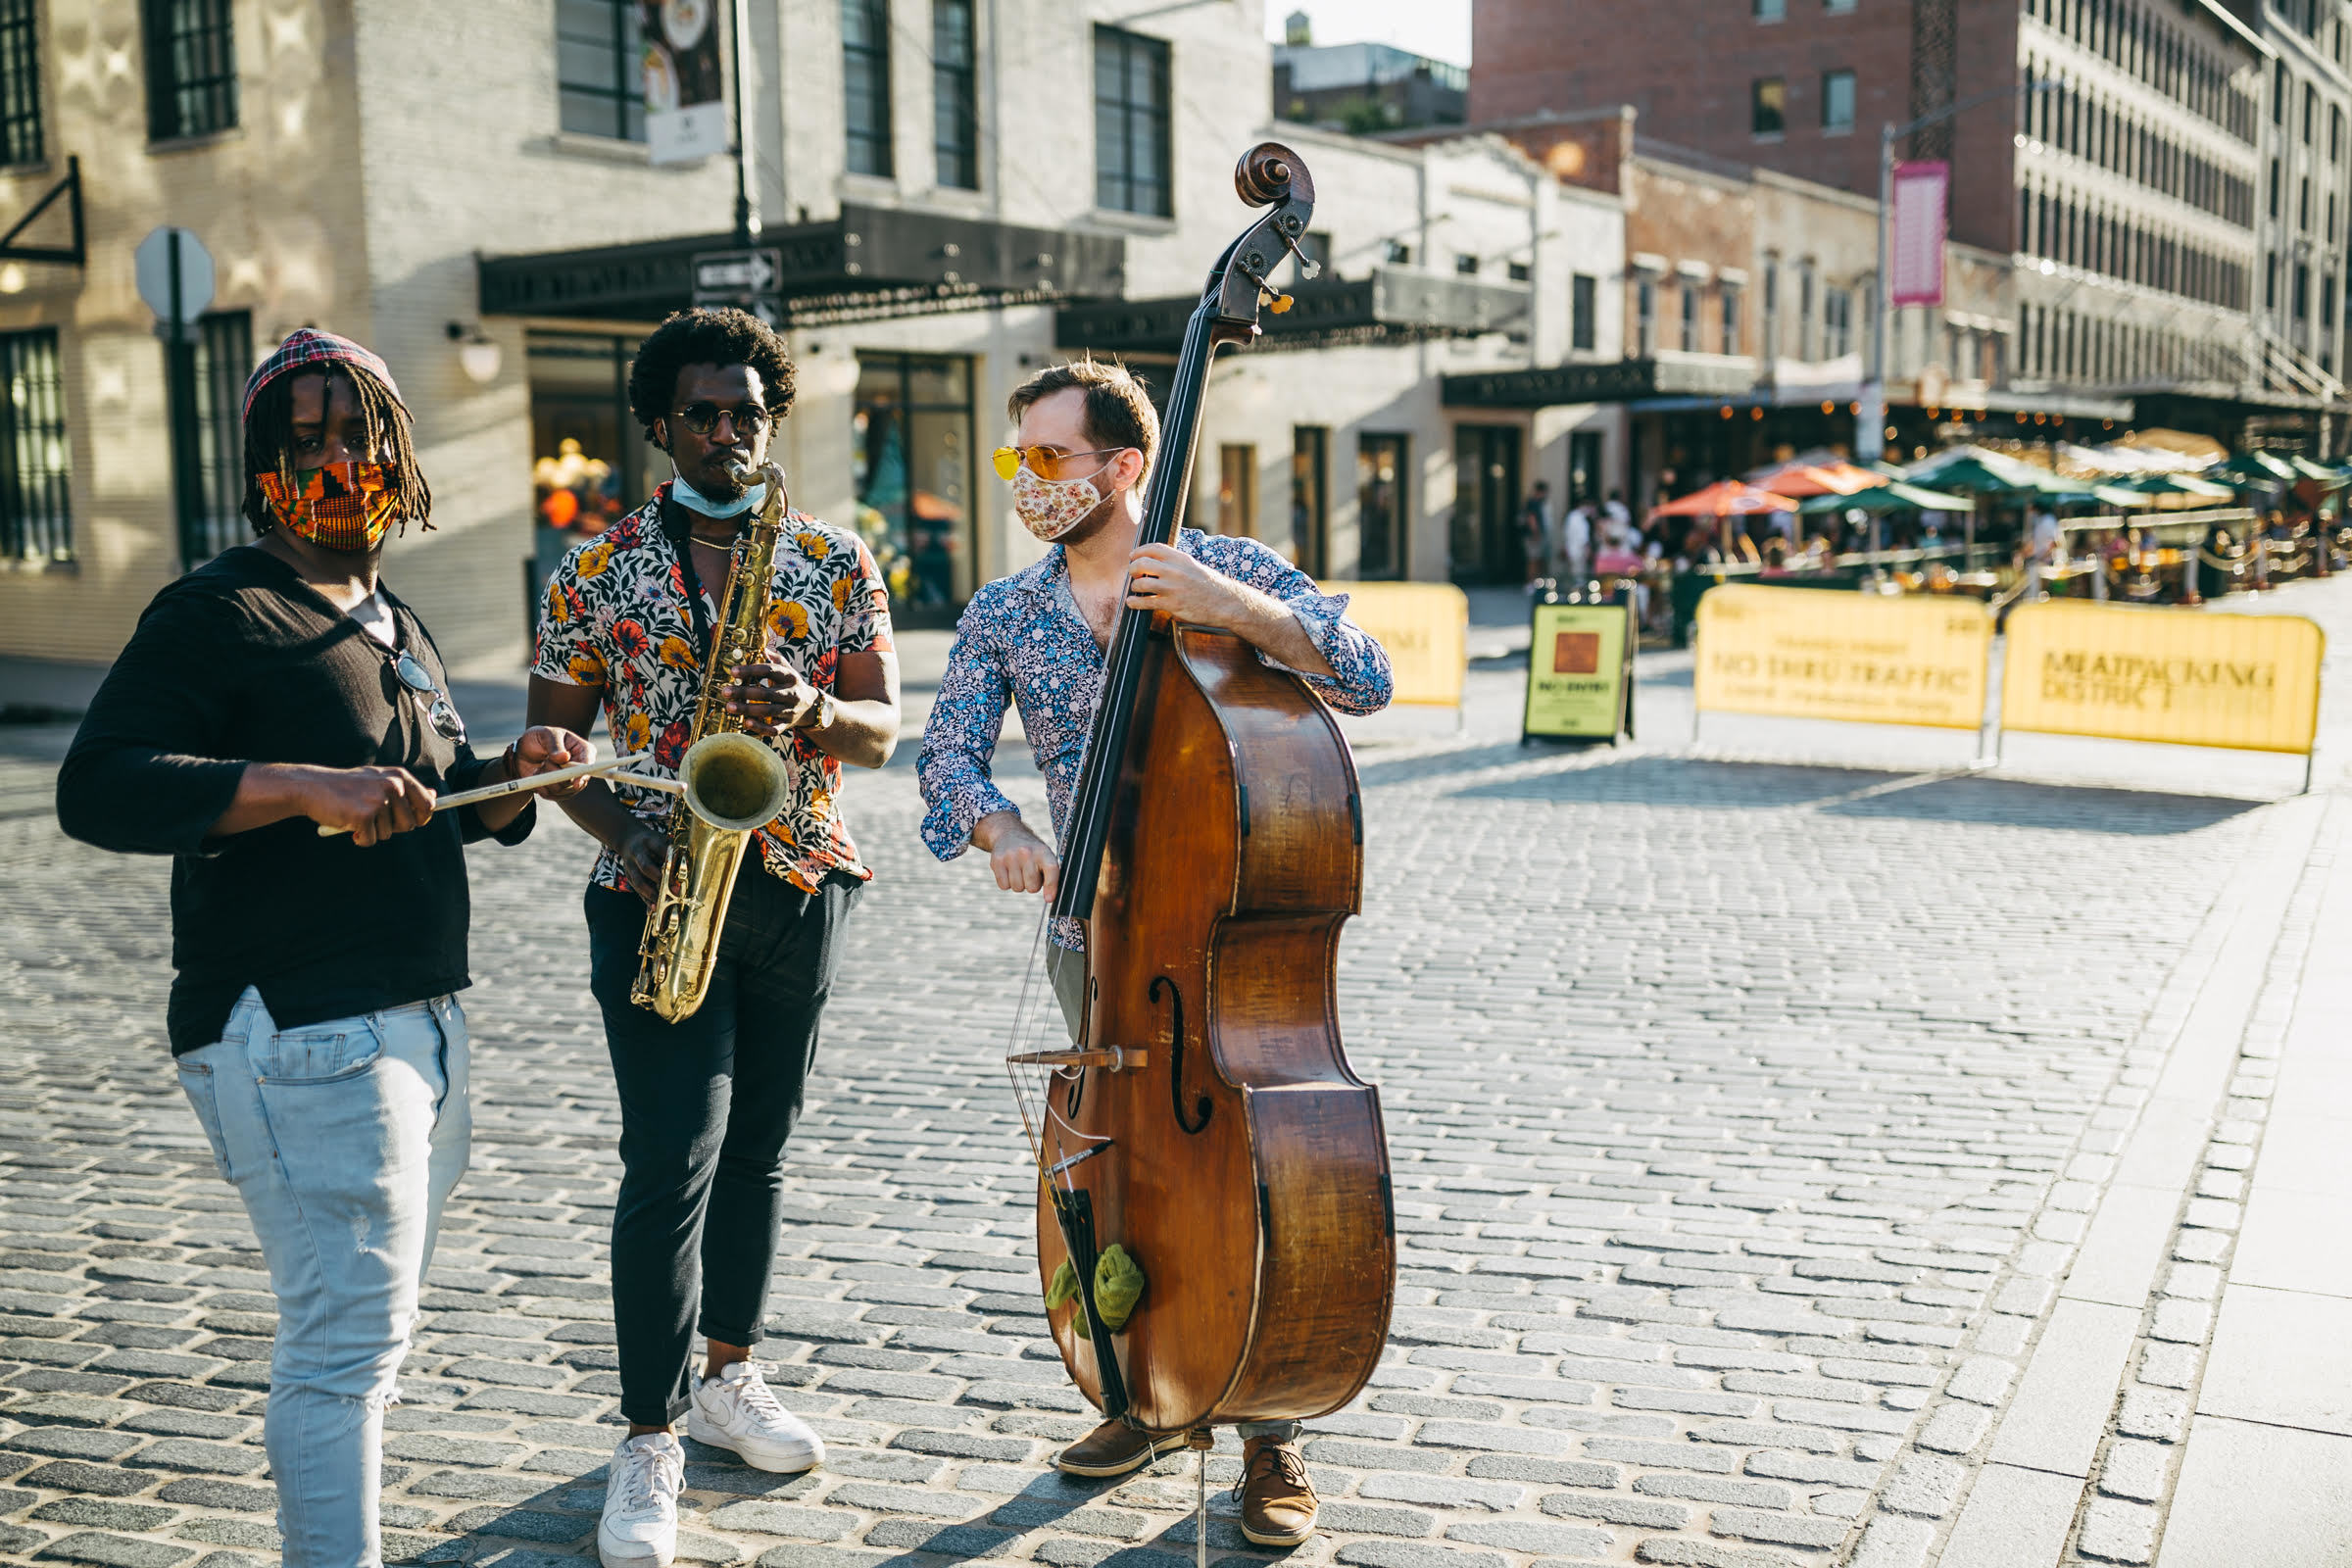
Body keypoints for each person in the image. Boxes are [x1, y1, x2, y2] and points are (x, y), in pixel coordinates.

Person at [56, 329, 593, 1568]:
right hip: (298, 1025)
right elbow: (99, 787)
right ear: (262, 467)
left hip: (415, 1019)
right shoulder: (216, 609)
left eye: (360, 436)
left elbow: (438, 789)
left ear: (402, 457)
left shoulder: (392, 611)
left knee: (374, 1338)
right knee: (342, 1345)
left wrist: (515, 775)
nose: (340, 461)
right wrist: (300, 784)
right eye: (307, 443)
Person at [914, 359, 1393, 1547]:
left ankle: (1269, 1427)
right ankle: (1139, 1392)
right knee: (1119, 1164)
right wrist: (1001, 824)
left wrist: (1241, 613)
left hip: (1220, 933)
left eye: (1048, 458)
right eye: (1015, 459)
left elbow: (1368, 672)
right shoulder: (1006, 613)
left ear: (1126, 465)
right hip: (1097, 928)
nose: (1027, 481)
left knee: (1253, 1169)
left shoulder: (1216, 569)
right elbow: (948, 757)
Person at [526, 308, 902, 1568]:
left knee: (761, 1154)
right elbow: (551, 752)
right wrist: (621, 839)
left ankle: (730, 1376)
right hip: (658, 891)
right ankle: (646, 1436)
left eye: (748, 411)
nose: (729, 432)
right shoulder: (593, 569)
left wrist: (815, 710)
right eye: (702, 413)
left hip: (797, 881)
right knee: (669, 1163)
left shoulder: (838, 559)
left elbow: (884, 727)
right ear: (658, 426)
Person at [1519, 477, 1553, 586]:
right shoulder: (1533, 502)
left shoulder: (1538, 502)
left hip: (1536, 535)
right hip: (1533, 536)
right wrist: (1536, 534)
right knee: (1533, 560)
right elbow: (1532, 519)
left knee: (1538, 559)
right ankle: (1530, 583)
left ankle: (1536, 583)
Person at [1562, 495, 1594, 587]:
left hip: (1572, 549)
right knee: (1579, 575)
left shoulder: (1572, 516)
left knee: (1574, 574)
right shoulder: (1579, 519)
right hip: (1578, 551)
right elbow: (1583, 538)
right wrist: (1588, 550)